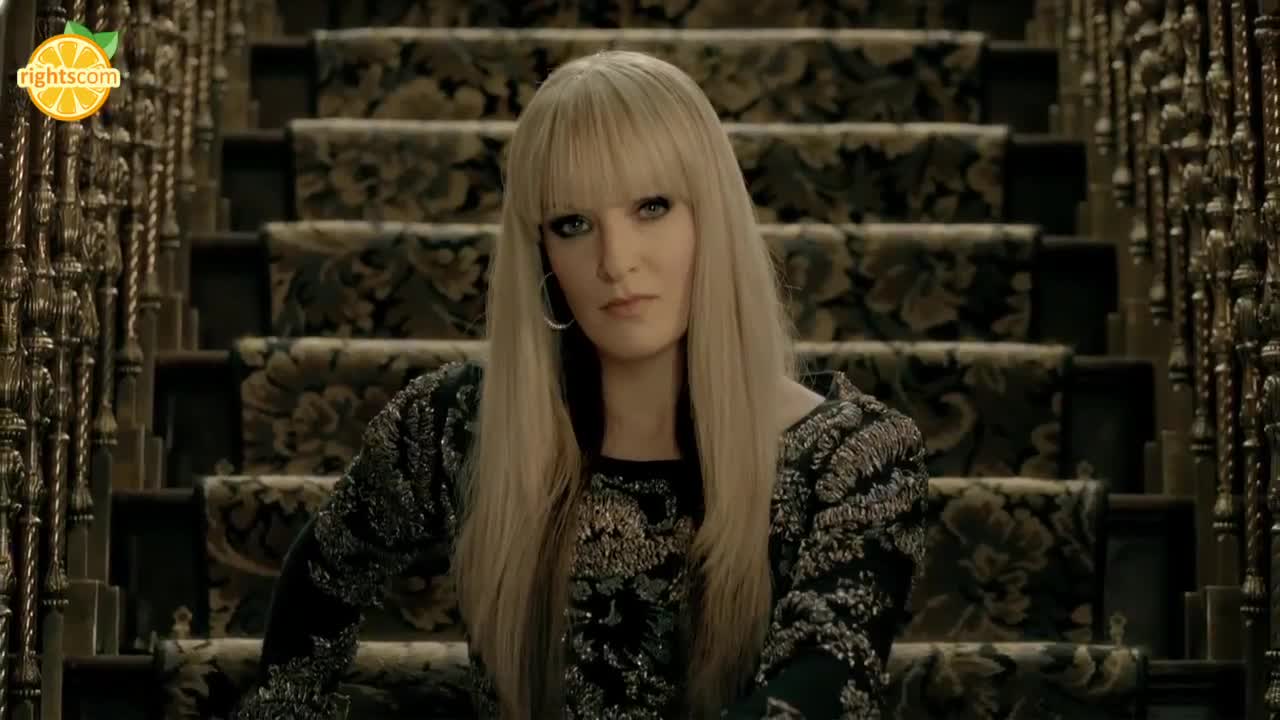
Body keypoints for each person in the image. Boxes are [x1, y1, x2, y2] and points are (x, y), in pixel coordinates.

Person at [232, 50, 928, 720]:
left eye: (651, 207)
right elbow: (322, 579)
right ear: (541, 252)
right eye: (572, 224)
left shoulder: (853, 462)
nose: (615, 262)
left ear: (711, 215)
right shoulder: (457, 424)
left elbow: (819, 692)